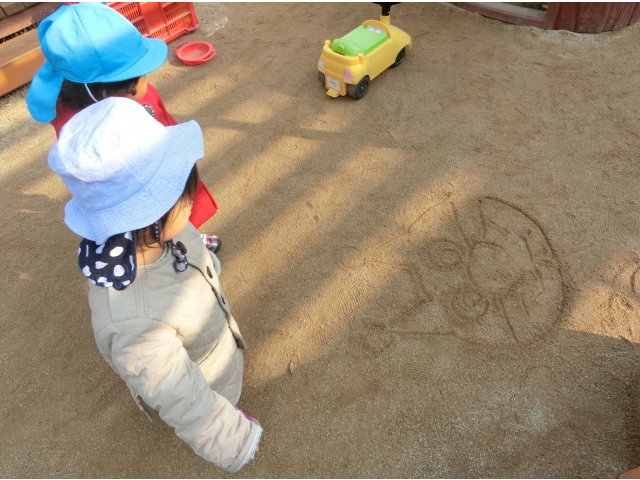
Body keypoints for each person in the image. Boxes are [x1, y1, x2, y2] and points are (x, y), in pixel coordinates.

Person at [48, 96, 261, 471]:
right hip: (206, 376)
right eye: (184, 197)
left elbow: (195, 253)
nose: (192, 202)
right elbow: (181, 396)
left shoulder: (162, 235)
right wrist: (234, 439)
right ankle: (230, 413)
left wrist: (207, 268)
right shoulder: (132, 322)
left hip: (209, 341)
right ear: (151, 218)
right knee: (211, 400)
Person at [26, 2, 219, 251]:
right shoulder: (79, 120)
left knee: (174, 212)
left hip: (153, 164)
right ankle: (172, 242)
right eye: (142, 73)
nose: (147, 79)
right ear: (119, 89)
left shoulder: (79, 98)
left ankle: (184, 234)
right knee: (154, 220)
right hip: (131, 186)